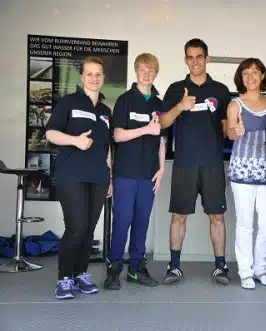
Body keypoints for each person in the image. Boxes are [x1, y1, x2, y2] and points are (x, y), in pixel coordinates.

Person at [159, 38, 232, 285]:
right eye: (190, 57)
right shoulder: (175, 89)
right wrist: (180, 106)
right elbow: (162, 123)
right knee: (178, 216)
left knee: (217, 217)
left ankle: (221, 267)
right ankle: (174, 266)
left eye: (199, 56)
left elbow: (226, 129)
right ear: (185, 59)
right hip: (185, 164)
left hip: (212, 164)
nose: (195, 62)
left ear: (207, 58)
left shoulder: (221, 91)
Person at [45, 56, 113, 300]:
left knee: (89, 229)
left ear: (103, 78)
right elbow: (51, 133)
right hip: (71, 175)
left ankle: (80, 274)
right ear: (82, 77)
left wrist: (110, 177)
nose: (94, 78)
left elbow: (107, 149)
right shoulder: (69, 102)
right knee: (76, 228)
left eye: (98, 74)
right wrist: (75, 140)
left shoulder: (106, 111)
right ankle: (64, 279)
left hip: (98, 177)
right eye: (89, 74)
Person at [104, 53, 165, 290]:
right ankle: (114, 268)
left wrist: (161, 170)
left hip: (148, 174)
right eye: (142, 70)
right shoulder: (125, 100)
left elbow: (162, 140)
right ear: (136, 71)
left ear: (155, 73)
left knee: (142, 222)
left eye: (151, 71)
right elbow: (117, 135)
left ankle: (136, 269)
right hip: (126, 172)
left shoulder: (159, 104)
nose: (146, 74)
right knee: (122, 221)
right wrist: (145, 130)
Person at [226, 58, 266, 289]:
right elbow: (229, 133)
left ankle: (260, 269)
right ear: (241, 77)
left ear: (263, 75)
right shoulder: (235, 103)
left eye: (255, 72)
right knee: (245, 223)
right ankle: (245, 272)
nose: (250, 76)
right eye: (246, 73)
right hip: (242, 170)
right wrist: (235, 130)